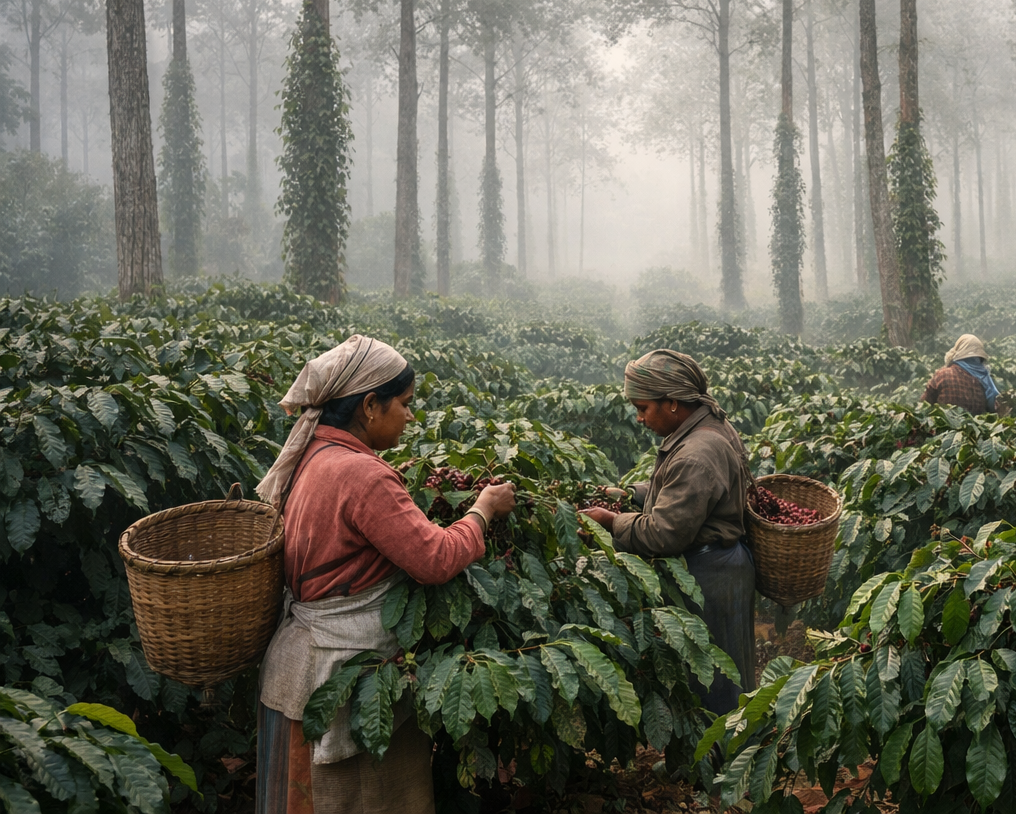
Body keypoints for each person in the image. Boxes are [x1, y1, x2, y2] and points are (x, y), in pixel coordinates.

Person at [253, 335, 517, 814]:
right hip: (344, 677)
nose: (412, 417)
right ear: (370, 406)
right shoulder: (362, 475)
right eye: (406, 404)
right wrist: (482, 509)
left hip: (295, 666)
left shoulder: (312, 453)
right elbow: (435, 557)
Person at [577, 349, 755, 715]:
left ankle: (725, 761)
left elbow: (663, 534)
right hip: (722, 567)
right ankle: (723, 755)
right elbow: (692, 493)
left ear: (672, 402)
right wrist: (631, 494)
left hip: (709, 576)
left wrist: (612, 521)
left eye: (643, 408)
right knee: (721, 669)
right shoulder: (708, 423)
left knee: (713, 679)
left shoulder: (697, 452)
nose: (640, 418)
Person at [922, 334, 1000, 414]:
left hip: (943, 424)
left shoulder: (942, 374)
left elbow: (924, 404)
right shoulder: (985, 382)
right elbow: (993, 409)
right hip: (973, 426)